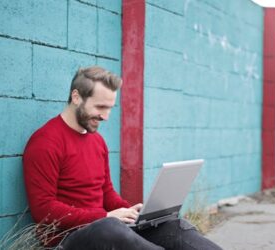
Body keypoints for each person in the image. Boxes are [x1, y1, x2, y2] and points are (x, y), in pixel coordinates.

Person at [23, 66, 222, 250]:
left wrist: (130, 211)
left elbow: (107, 193)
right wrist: (105, 216)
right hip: (68, 241)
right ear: (76, 97)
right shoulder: (45, 142)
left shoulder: (97, 141)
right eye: (100, 107)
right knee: (110, 229)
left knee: (173, 226)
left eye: (110, 108)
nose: (106, 116)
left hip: (106, 228)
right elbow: (43, 210)